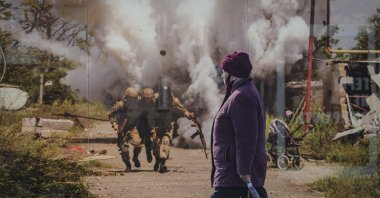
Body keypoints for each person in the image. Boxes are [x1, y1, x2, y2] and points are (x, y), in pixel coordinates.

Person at [211, 51, 268, 198]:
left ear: (233, 75)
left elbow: (246, 137)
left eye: (224, 72)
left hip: (236, 177)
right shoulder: (242, 93)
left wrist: (244, 171)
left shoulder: (241, 96)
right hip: (233, 175)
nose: (223, 76)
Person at [108, 87, 143, 172]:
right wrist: (114, 124)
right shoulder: (120, 105)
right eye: (130, 99)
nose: (132, 101)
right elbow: (111, 115)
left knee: (138, 144)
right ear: (126, 98)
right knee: (124, 150)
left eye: (134, 99)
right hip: (122, 128)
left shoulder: (140, 103)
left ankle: (135, 157)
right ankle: (128, 165)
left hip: (133, 128)